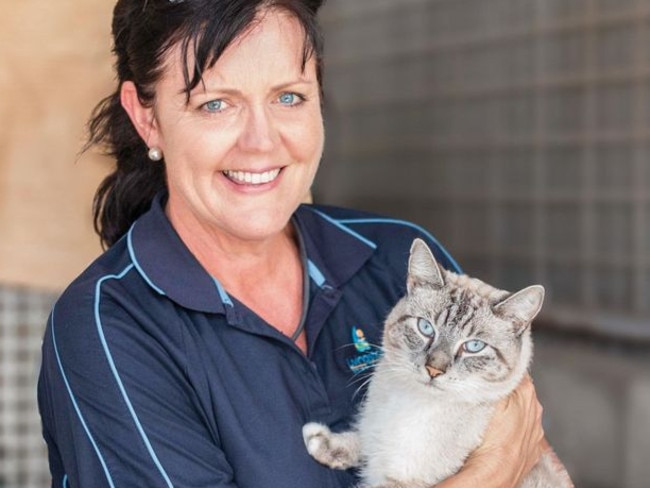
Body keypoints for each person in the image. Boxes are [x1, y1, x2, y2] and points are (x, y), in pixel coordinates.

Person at [37, 0, 548, 486]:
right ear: (146, 116)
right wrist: (491, 474)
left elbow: (529, 450)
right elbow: (508, 455)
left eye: (289, 97)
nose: (262, 141)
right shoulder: (108, 327)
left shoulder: (397, 256)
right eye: (216, 103)